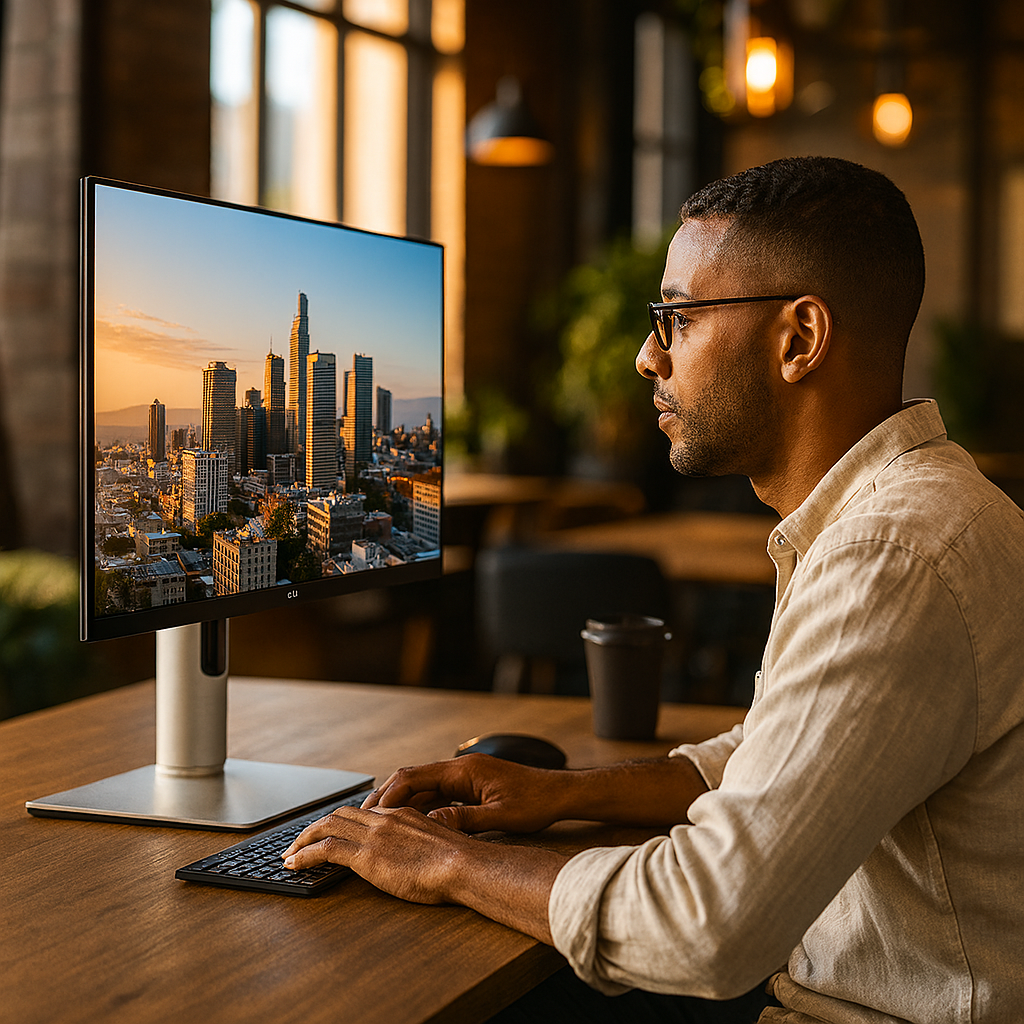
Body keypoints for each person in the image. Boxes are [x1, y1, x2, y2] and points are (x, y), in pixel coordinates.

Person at [282, 156, 1024, 1023]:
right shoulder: (908, 516)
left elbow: (705, 925)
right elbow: (780, 752)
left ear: (799, 339)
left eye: (674, 318)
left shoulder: (892, 556)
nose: (646, 358)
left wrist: (441, 860)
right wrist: (565, 793)